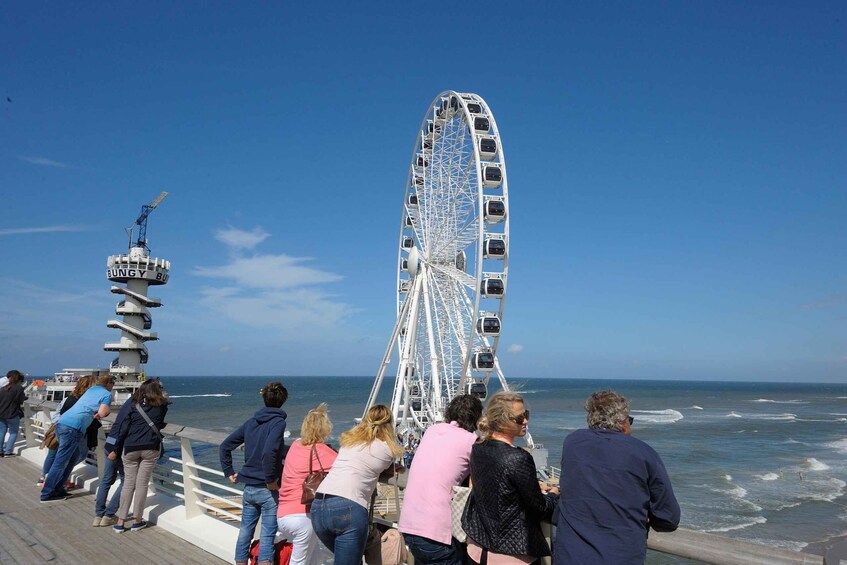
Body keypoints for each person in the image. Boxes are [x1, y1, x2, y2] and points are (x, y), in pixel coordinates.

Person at [553, 390, 680, 565]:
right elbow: (669, 518)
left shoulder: (572, 442)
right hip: (619, 556)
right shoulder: (643, 453)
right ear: (622, 421)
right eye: (630, 420)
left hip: (570, 556)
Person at [462, 391, 558, 565]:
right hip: (511, 554)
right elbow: (539, 508)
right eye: (520, 418)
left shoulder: (478, 448)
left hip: (478, 547)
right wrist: (553, 496)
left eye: (526, 415)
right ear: (501, 421)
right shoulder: (517, 458)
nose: (526, 421)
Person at [309, 404, 402, 565]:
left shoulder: (349, 442)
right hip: (348, 506)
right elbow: (387, 469)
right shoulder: (387, 449)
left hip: (318, 506)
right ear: (388, 425)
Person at [399, 394, 483, 565]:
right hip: (435, 532)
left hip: (409, 525)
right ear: (476, 418)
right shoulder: (471, 441)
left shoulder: (432, 430)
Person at [220, 381, 289, 565]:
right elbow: (269, 452)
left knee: (245, 531)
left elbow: (226, 445)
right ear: (283, 400)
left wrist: (229, 471)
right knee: (267, 535)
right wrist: (270, 480)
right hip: (267, 489)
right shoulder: (278, 423)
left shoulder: (252, 422)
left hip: (249, 487)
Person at [277, 403, 338, 565]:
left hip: (283, 514)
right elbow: (346, 465)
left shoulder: (296, 445)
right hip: (303, 517)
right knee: (298, 562)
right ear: (325, 428)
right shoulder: (322, 451)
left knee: (314, 560)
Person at [40, 375, 112, 502]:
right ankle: (47, 493)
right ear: (109, 384)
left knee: (73, 457)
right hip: (73, 428)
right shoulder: (106, 394)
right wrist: (103, 413)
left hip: (62, 423)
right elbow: (102, 413)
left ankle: (58, 488)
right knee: (60, 462)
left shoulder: (91, 390)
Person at [110, 377, 169, 532]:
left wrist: (115, 448)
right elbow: (163, 408)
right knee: (142, 484)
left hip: (131, 447)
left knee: (128, 484)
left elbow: (123, 428)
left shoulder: (134, 405)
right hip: (150, 447)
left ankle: (121, 522)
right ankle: (137, 520)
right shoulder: (162, 406)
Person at [93, 396, 132, 526]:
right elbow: (125, 429)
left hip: (109, 441)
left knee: (106, 479)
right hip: (118, 447)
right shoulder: (138, 407)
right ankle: (109, 515)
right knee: (126, 481)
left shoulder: (127, 403)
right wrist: (116, 450)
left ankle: (98, 515)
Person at [0, 370, 27, 457]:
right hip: (12, 413)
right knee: (13, 432)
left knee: (1, 432)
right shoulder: (18, 388)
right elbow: (21, 400)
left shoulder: (3, 388)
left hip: (1, 413)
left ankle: (0, 451)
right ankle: (8, 451)